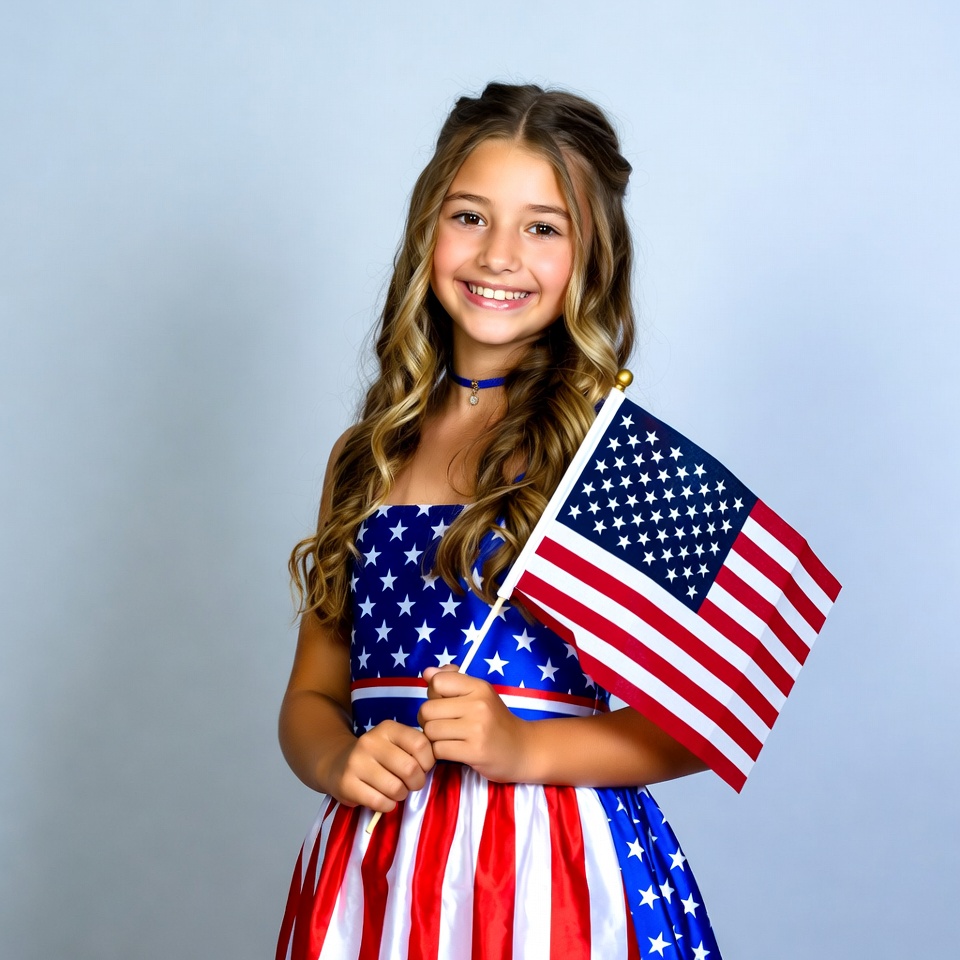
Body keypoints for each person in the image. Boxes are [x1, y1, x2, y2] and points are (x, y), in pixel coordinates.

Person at [277, 82, 723, 960]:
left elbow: (696, 726)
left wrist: (523, 746)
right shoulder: (363, 455)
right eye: (471, 216)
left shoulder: (608, 452)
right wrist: (337, 761)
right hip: (381, 874)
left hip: (556, 876)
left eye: (544, 227)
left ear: (593, 259)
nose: (500, 255)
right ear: (426, 232)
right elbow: (312, 696)